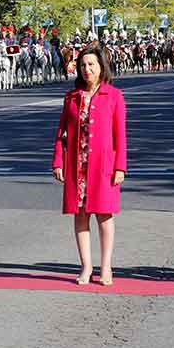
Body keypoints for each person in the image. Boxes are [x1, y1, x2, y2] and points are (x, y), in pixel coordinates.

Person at [52, 44, 127, 286]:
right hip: (77, 165)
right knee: (80, 216)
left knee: (104, 216)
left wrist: (120, 167)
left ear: (101, 67)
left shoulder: (113, 96)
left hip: (103, 165)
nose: (87, 69)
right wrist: (58, 161)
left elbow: (120, 135)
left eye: (91, 64)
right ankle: (86, 266)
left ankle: (106, 267)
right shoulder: (71, 97)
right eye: (83, 65)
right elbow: (61, 133)